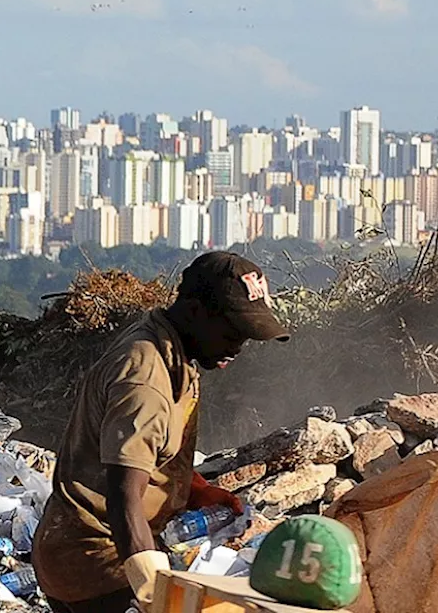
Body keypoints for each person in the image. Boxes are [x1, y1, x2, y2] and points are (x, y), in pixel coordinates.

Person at [31, 251, 291, 613]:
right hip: (96, 561)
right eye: (232, 332)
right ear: (196, 310)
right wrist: (155, 594)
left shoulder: (173, 350)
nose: (238, 346)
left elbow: (148, 452)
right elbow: (124, 497)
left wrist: (198, 490)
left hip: (94, 551)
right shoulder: (146, 378)